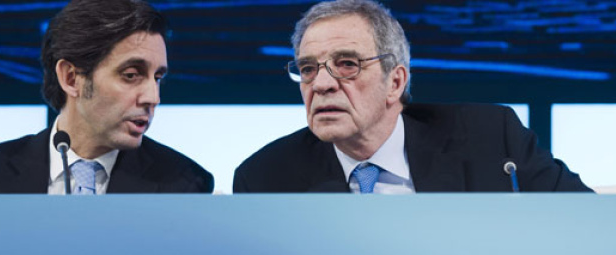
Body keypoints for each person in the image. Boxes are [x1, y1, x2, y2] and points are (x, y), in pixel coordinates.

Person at [233, 0, 590, 193]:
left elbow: (586, 223)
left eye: (347, 64)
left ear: (395, 82)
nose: (321, 84)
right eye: (308, 68)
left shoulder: (492, 138)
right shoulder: (265, 179)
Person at [0, 0, 213, 194]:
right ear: (71, 78)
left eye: (157, 78)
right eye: (131, 75)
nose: (152, 97)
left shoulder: (186, 184)